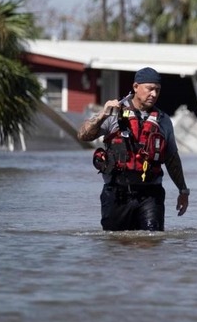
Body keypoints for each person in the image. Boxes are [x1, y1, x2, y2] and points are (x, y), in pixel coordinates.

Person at [78, 67, 190, 231]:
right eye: (149, 89)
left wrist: (183, 191)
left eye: (157, 90)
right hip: (117, 193)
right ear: (136, 87)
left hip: (151, 194)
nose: (153, 94)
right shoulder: (114, 113)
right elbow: (83, 135)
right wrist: (102, 115)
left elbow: (172, 158)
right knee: (116, 243)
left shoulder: (163, 120)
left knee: (151, 241)